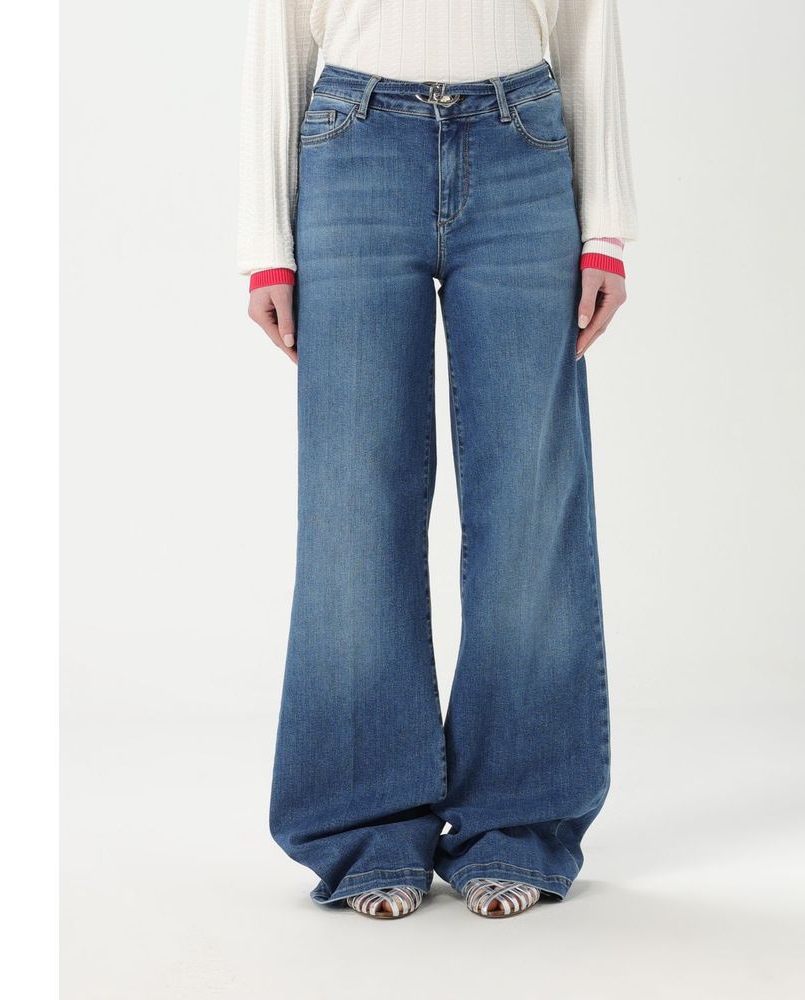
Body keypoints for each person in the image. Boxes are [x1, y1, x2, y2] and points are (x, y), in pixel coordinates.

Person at [239, 0, 637, 920]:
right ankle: (363, 823)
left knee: (529, 500)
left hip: (522, 144)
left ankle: (519, 821)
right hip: (352, 144)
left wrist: (605, 227)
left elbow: (587, 18)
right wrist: (265, 244)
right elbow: (277, 26)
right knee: (354, 503)